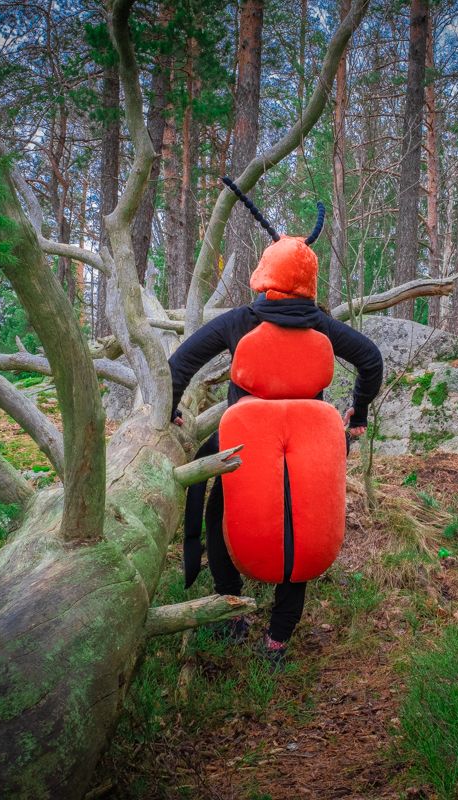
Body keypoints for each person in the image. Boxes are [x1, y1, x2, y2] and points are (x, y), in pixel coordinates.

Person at [169, 178, 383, 666]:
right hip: (306, 448)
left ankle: (231, 613)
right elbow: (370, 359)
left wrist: (171, 408)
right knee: (299, 528)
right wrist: (358, 412)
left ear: (264, 274)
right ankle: (277, 641)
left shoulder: (239, 321)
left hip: (242, 446)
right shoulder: (319, 324)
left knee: (219, 516)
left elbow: (181, 363)